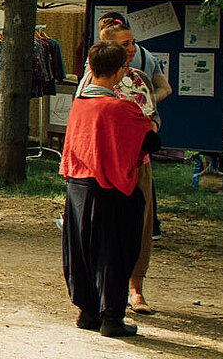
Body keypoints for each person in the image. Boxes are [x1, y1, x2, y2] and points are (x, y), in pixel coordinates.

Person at [62, 41, 158, 338]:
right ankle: (112, 317)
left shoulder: (79, 104)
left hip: (78, 186)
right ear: (119, 73)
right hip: (112, 189)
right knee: (114, 252)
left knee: (82, 251)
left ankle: (87, 310)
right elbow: (150, 140)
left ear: (90, 68)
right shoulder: (122, 108)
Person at [82, 17, 165, 314]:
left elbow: (156, 103)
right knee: (104, 226)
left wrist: (145, 125)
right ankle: (99, 293)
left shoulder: (140, 76)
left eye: (132, 43)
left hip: (137, 159)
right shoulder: (93, 78)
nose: (132, 49)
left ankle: (135, 289)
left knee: (140, 223)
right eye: (124, 44)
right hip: (104, 162)